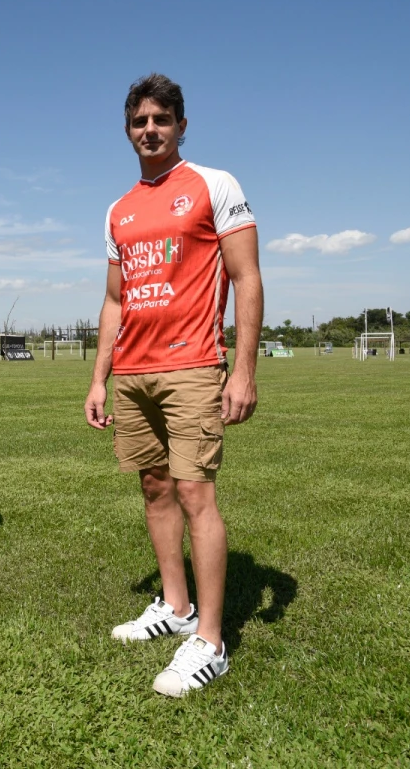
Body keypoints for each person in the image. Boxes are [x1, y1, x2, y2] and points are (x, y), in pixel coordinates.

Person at [83, 74, 264, 697]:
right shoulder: (119, 209)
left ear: (182, 126)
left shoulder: (216, 184)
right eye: (140, 121)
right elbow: (114, 299)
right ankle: (177, 606)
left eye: (162, 119)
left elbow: (246, 276)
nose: (150, 130)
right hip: (132, 371)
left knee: (195, 494)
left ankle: (210, 642)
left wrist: (243, 369)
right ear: (127, 130)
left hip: (193, 364)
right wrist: (99, 377)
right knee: (155, 488)